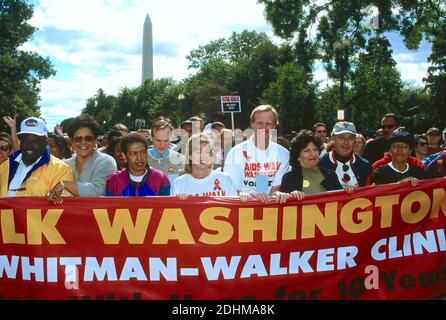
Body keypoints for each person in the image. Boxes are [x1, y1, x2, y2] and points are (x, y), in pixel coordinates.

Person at [223, 105, 289, 203]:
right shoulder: (235, 153)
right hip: (242, 208)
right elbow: (231, 189)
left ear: (274, 126)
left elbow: (275, 189)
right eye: (259, 123)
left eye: (268, 123)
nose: (263, 127)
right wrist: (246, 195)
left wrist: (277, 194)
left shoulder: (283, 154)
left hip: (269, 209)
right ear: (252, 124)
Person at [49, 118, 117, 203]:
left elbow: (98, 191)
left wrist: (65, 184)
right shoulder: (64, 165)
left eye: (88, 138)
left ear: (95, 140)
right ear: (72, 142)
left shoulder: (106, 162)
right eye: (78, 139)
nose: (83, 142)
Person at [0, 117, 73, 197]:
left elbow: (64, 205)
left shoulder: (60, 170)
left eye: (35, 141)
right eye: (25, 140)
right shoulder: (4, 167)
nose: (29, 145)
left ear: (45, 142)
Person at [171, 133, 247, 201]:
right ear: (190, 155)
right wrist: (178, 201)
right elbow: (171, 212)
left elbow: (234, 208)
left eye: (207, 152)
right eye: (199, 152)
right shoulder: (178, 184)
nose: (203, 157)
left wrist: (244, 198)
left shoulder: (224, 179)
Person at [280, 131, 345, 199]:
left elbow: (341, 199)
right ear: (298, 156)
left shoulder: (331, 175)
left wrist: (348, 191)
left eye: (315, 150)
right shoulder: (289, 178)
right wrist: (290, 196)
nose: (313, 154)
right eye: (307, 151)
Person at [106, 133, 171, 196]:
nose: (139, 158)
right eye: (134, 153)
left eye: (143, 152)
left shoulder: (160, 179)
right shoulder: (114, 181)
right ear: (124, 156)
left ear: (147, 153)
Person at [319, 121, 372, 188]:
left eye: (350, 138)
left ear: (354, 140)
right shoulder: (320, 163)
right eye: (341, 137)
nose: (346, 142)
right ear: (333, 138)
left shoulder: (364, 165)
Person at [147, 117, 185, 182]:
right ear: (151, 137)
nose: (162, 145)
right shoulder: (141, 159)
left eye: (166, 140)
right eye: (158, 140)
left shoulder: (181, 160)